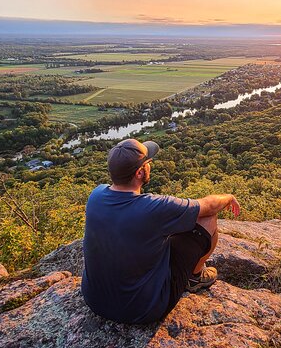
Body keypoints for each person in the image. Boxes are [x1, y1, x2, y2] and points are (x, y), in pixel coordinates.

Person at [80, 138, 240, 324]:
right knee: (206, 219)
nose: (151, 164)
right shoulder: (155, 208)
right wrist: (228, 197)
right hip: (144, 309)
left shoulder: (96, 195)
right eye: (148, 162)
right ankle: (195, 278)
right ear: (140, 172)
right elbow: (209, 207)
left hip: (95, 300)